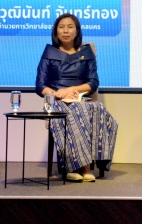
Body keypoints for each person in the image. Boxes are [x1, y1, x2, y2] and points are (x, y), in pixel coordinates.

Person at [35, 13, 119, 182]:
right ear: (56, 31)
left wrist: (73, 89)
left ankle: (86, 164)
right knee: (76, 111)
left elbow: (93, 82)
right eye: (61, 27)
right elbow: (40, 85)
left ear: (77, 31)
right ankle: (78, 167)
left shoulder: (87, 52)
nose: (66, 31)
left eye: (70, 27)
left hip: (79, 97)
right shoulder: (49, 52)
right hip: (56, 100)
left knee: (98, 109)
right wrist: (57, 93)